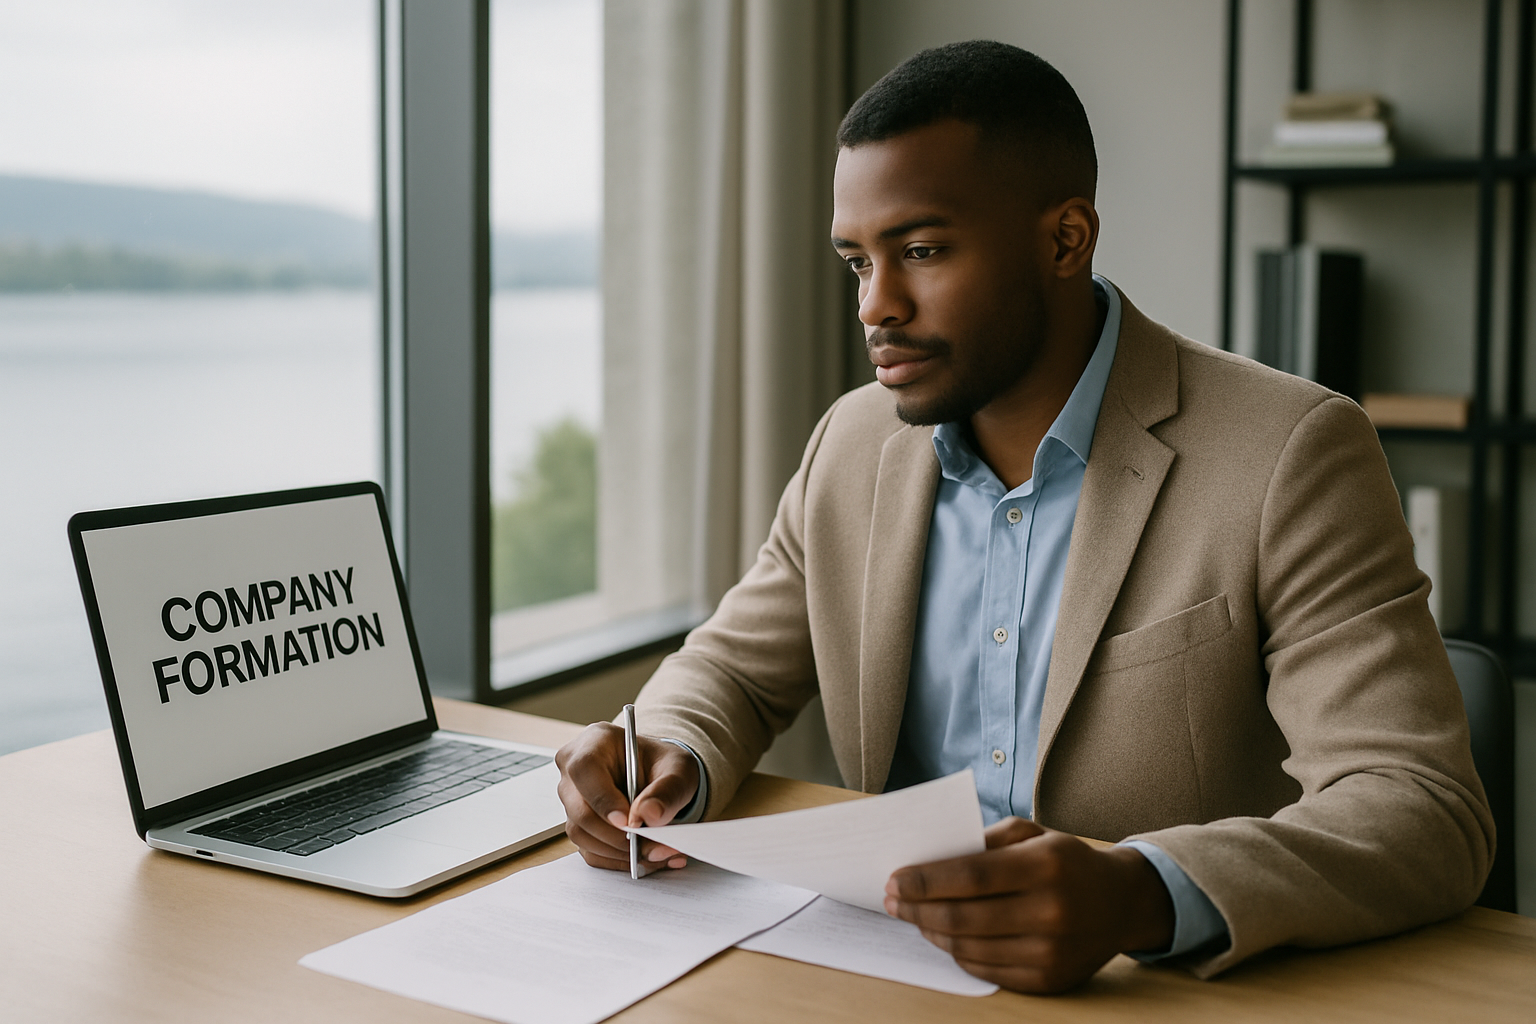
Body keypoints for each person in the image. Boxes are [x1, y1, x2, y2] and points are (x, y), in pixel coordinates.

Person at [555, 40, 1493, 994]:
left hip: (1154, 993)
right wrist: (664, 749)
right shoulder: (853, 443)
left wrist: (1143, 892)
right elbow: (733, 673)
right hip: (890, 976)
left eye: (920, 251)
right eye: (856, 262)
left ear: (1065, 239)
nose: (876, 305)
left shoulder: (1291, 453)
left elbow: (1421, 807)